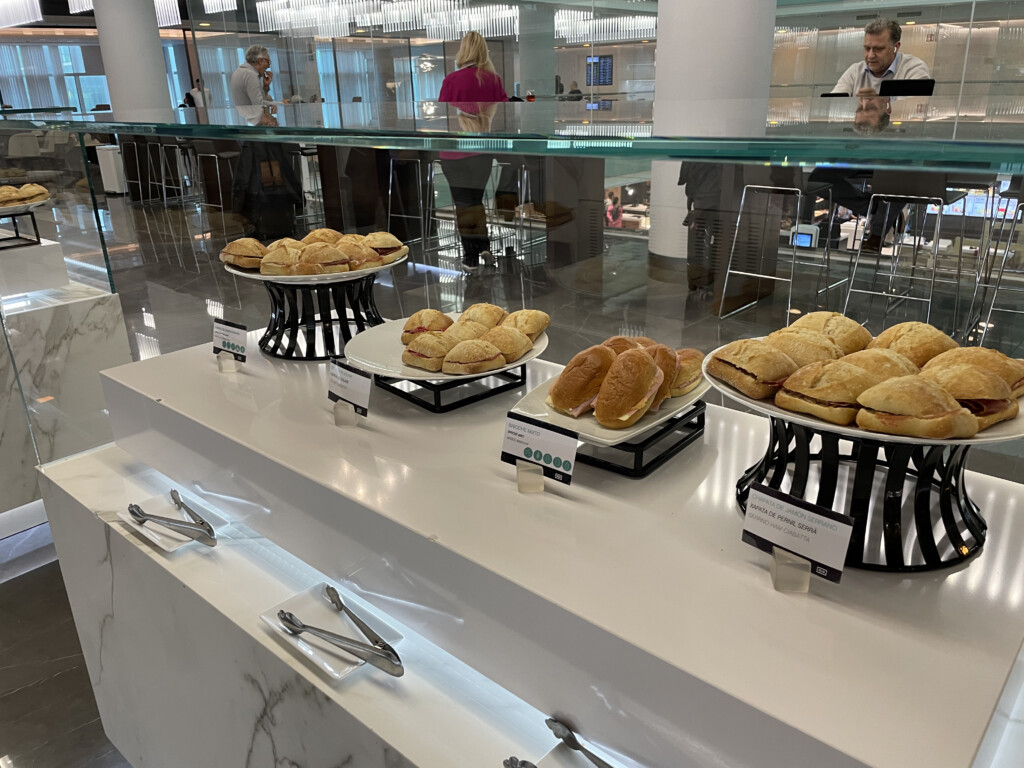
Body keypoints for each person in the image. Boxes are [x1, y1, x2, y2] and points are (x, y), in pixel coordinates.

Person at [438, 31, 509, 273]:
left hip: (454, 151)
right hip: (483, 149)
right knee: (476, 199)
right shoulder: (493, 79)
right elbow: (503, 114)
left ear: (463, 50)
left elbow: (444, 118)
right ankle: (484, 246)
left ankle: (470, 256)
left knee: (463, 203)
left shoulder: (451, 80)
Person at [832, 18, 930, 95]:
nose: (870, 56)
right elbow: (833, 103)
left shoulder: (914, 69)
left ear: (896, 47)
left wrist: (875, 102)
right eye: (867, 48)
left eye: (878, 49)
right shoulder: (855, 71)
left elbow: (914, 109)